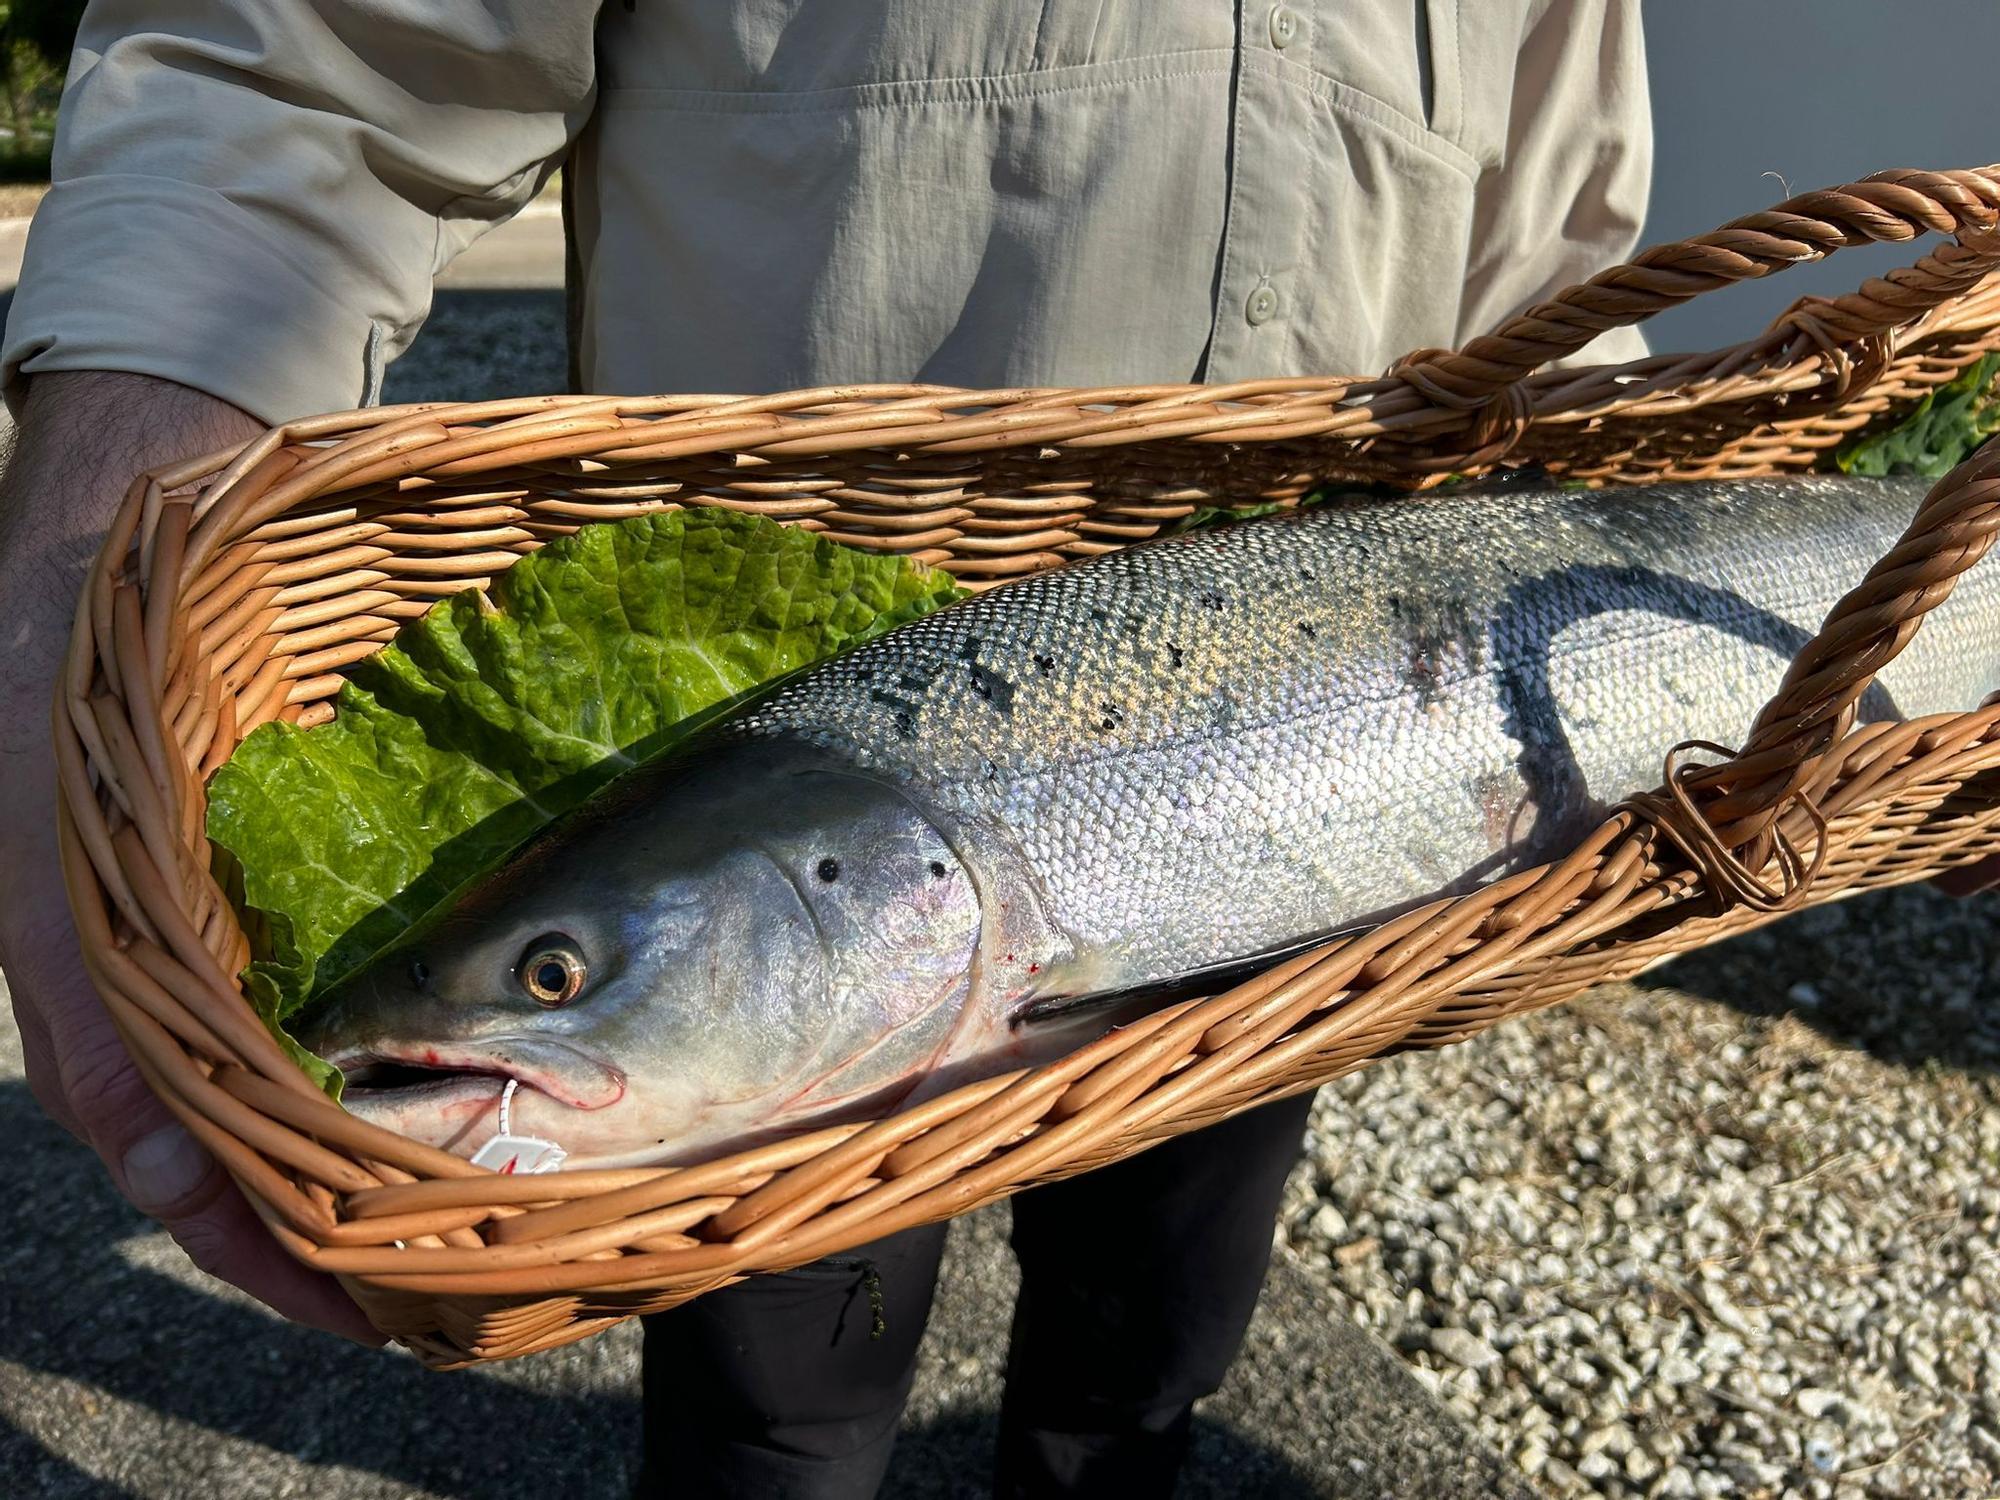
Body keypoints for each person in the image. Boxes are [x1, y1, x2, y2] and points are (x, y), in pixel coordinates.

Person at [0, 4, 1650, 1494]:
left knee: (1144, 1368)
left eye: (552, 979)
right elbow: (297, 65)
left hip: (1324, 794)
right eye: (552, 980)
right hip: (771, 764)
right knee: (778, 1426)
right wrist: (61, 629)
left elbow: (1559, 280)